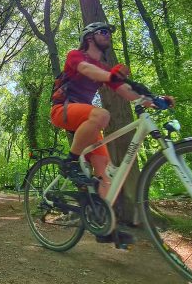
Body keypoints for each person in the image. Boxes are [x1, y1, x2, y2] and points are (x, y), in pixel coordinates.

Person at [50, 21, 175, 244]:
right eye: (104, 32)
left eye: (109, 33)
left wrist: (153, 100)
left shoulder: (107, 68)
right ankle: (70, 162)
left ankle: (104, 229)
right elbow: (88, 70)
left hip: (87, 118)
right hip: (63, 110)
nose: (108, 36)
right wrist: (111, 77)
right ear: (90, 37)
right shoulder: (75, 55)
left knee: (105, 177)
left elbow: (126, 91)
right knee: (102, 115)